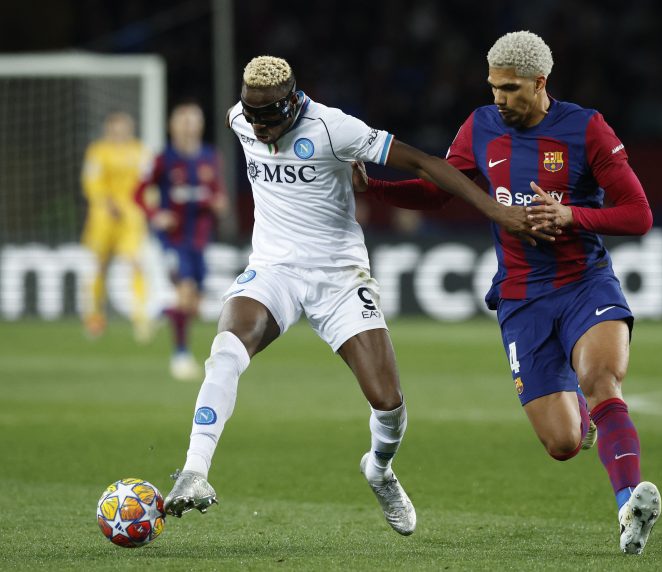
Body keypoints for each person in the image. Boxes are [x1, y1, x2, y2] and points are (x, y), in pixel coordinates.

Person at [164, 56, 529, 536]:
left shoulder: (334, 128)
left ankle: (378, 469)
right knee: (226, 350)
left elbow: (424, 163)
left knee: (389, 402)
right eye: (253, 118)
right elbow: (251, 123)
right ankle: (194, 470)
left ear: (293, 104)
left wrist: (496, 213)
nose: (260, 129)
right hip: (273, 269)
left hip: (339, 277)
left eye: (269, 120)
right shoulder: (240, 118)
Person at [354, 31, 661, 555]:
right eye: (493, 86)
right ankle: (589, 428)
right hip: (521, 299)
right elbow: (440, 190)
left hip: (585, 282)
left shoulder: (586, 128)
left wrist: (572, 214)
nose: (498, 97)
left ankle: (630, 505)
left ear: (541, 84)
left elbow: (639, 214)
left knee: (601, 379)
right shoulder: (481, 126)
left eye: (510, 88)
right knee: (563, 444)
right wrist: (375, 188)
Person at [135, 101, 228, 381]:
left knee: (194, 307)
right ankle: (180, 356)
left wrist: (218, 203)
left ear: (200, 125)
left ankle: (158, 311)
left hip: (199, 238)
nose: (189, 126)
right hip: (172, 240)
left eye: (193, 120)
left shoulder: (211, 157)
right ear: (172, 126)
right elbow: (137, 193)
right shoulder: (162, 159)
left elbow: (217, 192)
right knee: (185, 291)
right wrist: (155, 214)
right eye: (183, 120)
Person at [80, 112, 151, 340]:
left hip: (130, 216)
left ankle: (141, 319)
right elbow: (91, 183)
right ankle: (94, 317)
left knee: (136, 264)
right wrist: (106, 202)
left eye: (123, 128)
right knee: (99, 266)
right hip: (103, 215)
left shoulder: (139, 151)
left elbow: (147, 183)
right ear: (108, 130)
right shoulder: (98, 151)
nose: (119, 133)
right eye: (115, 129)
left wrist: (148, 207)